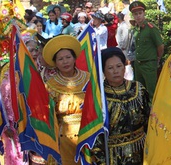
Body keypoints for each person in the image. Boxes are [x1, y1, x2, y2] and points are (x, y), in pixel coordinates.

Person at [92, 47, 150, 165]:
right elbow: (96, 134)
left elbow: (149, 120)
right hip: (114, 156)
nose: (115, 71)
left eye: (119, 66)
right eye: (110, 68)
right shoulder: (99, 96)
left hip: (142, 150)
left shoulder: (138, 89)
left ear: (124, 67)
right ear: (103, 71)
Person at [43, 35, 88, 165]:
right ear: (55, 63)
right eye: (60, 59)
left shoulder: (88, 78)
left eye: (68, 57)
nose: (65, 62)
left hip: (88, 132)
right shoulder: (51, 85)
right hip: (63, 138)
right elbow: (49, 117)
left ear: (74, 58)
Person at [131, 0, 163, 101]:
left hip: (149, 64)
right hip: (138, 64)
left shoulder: (151, 28)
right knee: (138, 91)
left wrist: (157, 58)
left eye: (140, 13)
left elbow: (160, 46)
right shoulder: (135, 29)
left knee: (151, 91)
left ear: (144, 13)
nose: (138, 16)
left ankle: (153, 114)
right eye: (135, 14)